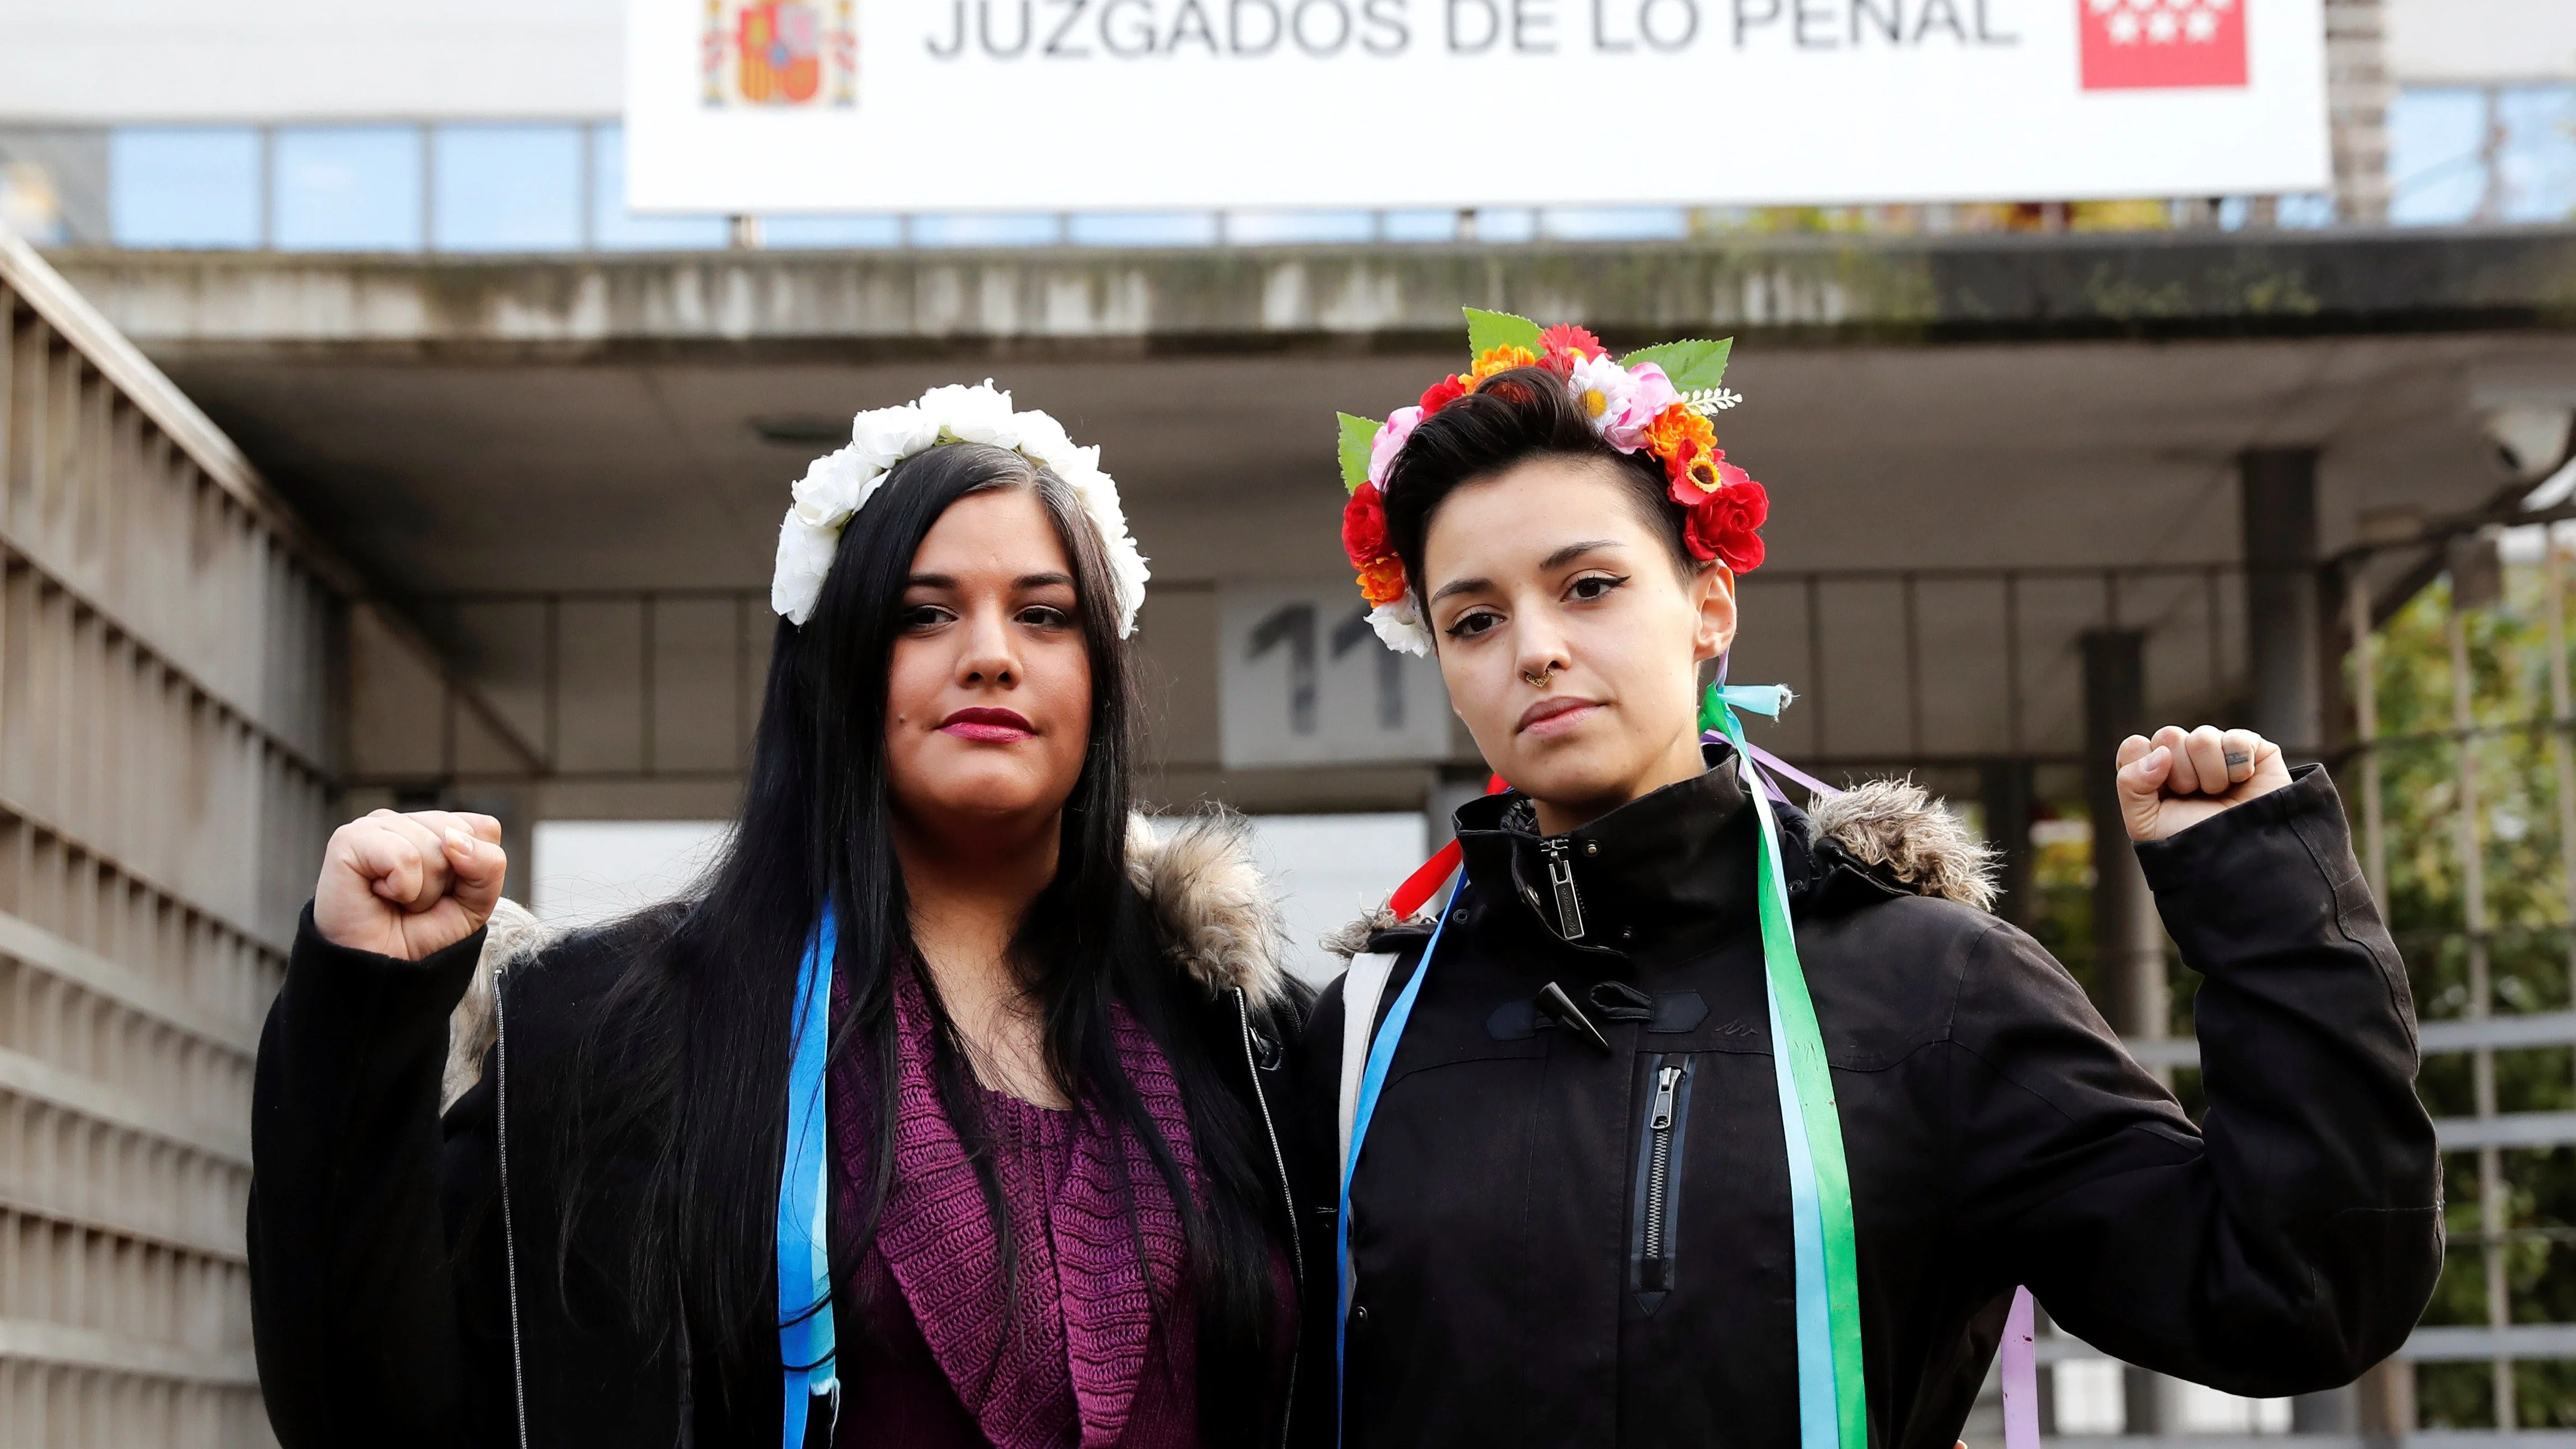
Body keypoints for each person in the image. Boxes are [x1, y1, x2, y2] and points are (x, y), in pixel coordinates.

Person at [1291, 315, 2441, 1449]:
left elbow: (2294, 1291)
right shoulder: (1359, 1036)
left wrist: (2260, 899)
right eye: (1474, 619)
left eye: (1587, 586)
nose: (1532, 648)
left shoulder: (1928, 990)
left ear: (1708, 604)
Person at [249, 384, 1314, 1449]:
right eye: (924, 612)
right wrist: (363, 1005)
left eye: (1042, 614)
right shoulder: (621, 1038)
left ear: (1101, 678)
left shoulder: (1253, 1049)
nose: (991, 652)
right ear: (836, 669)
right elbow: (375, 1408)